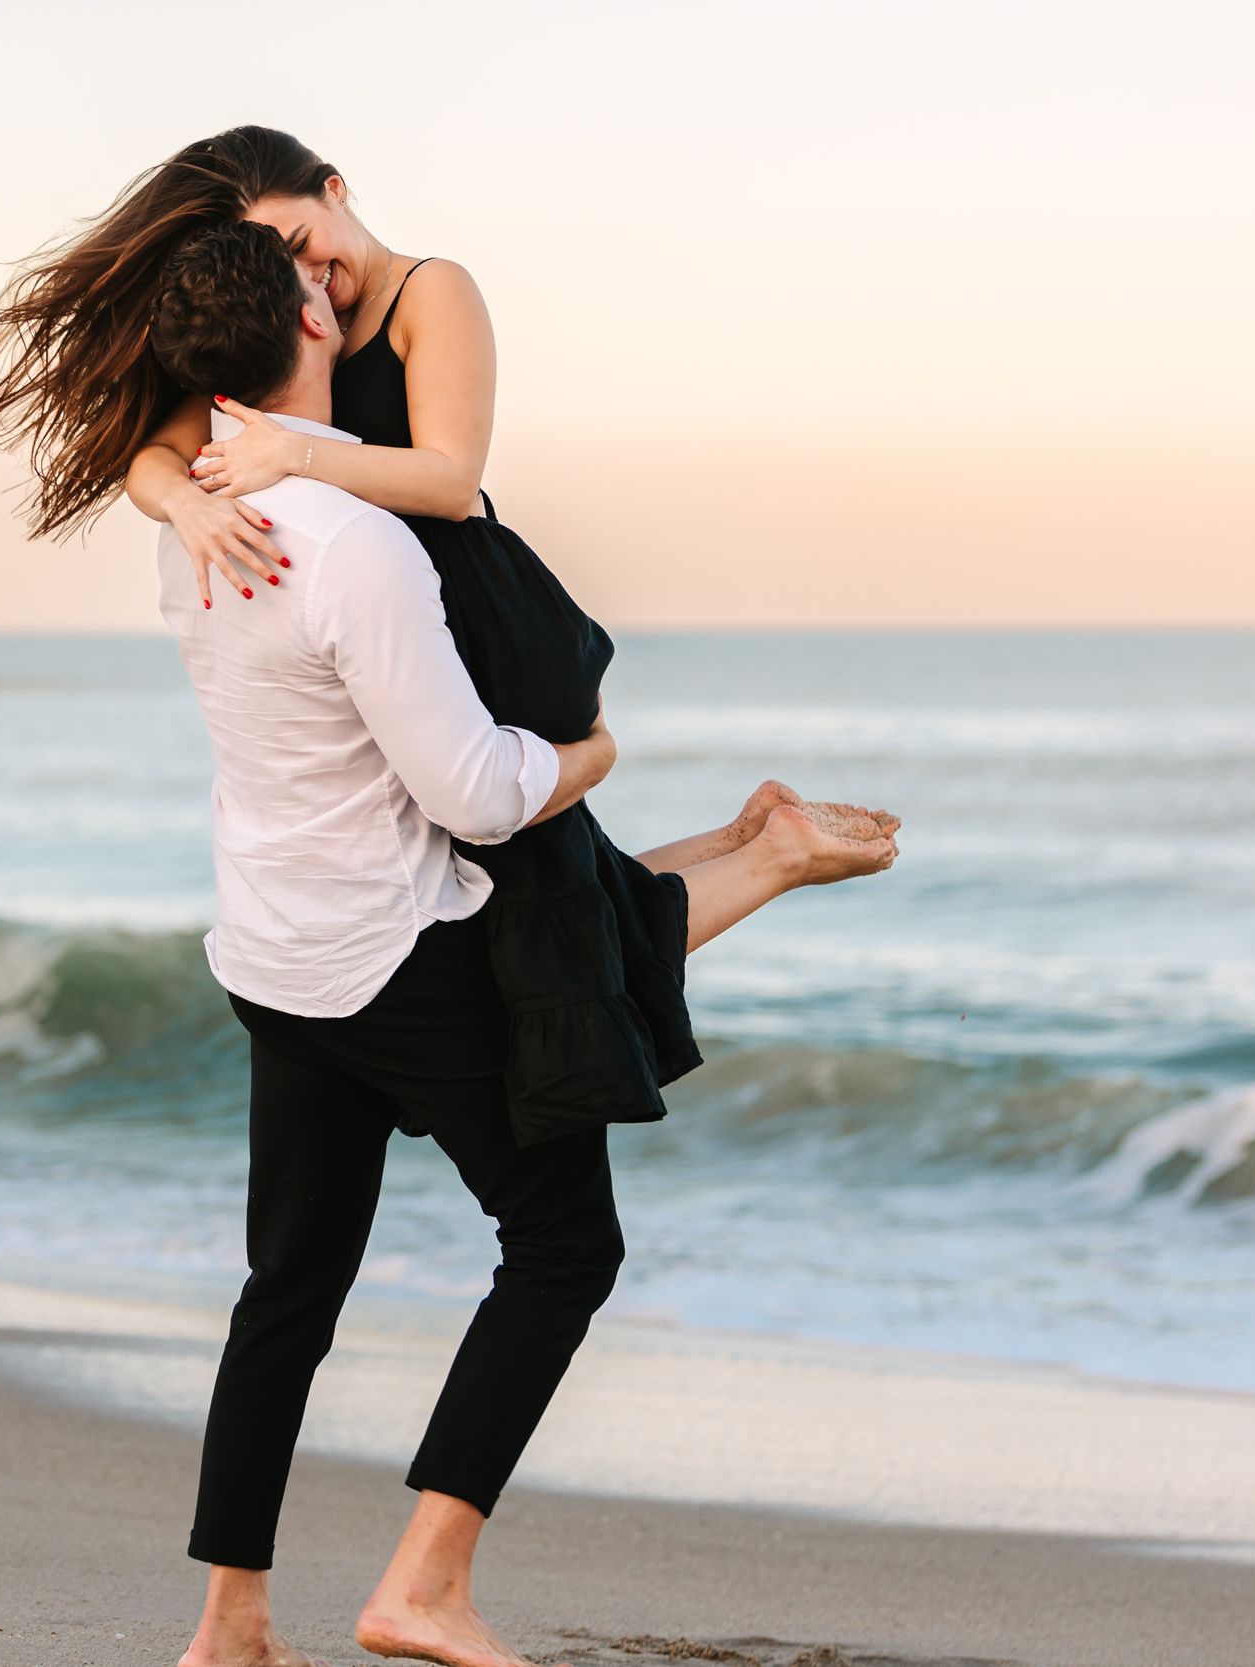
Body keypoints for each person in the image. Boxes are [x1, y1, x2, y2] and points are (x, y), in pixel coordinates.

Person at [119, 218, 896, 1667]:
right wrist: (591, 752)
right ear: (306, 336)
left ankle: (228, 1628)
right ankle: (424, 1584)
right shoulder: (355, 545)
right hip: (393, 959)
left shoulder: (189, 526)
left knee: (287, 1288)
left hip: (275, 953)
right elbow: (474, 791)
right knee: (563, 1246)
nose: (338, 286)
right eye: (316, 286)